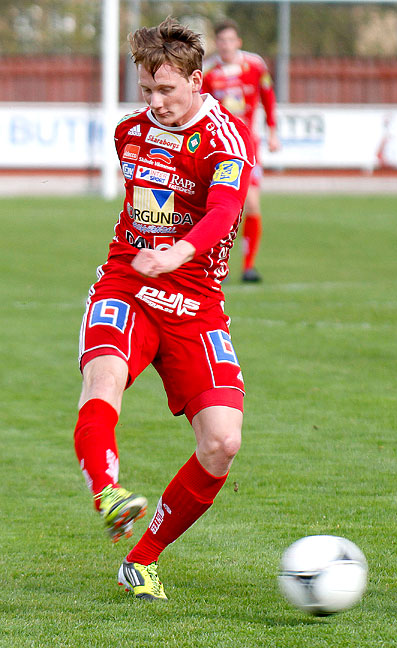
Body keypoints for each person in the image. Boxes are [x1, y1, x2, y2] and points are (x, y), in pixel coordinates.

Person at [73, 17, 255, 601]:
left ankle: (143, 556)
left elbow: (224, 211)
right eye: (147, 91)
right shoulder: (129, 133)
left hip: (196, 299)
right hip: (127, 284)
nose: (156, 103)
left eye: (167, 90)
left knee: (223, 441)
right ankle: (107, 491)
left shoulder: (227, 138)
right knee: (104, 376)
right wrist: (149, 258)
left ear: (197, 81)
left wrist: (176, 251)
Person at [201, 19, 281, 283]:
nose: (226, 45)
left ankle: (248, 266)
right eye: (221, 40)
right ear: (217, 43)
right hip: (218, 148)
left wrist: (272, 132)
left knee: (253, 205)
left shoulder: (256, 66)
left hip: (247, 146)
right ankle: (209, 262)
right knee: (218, 207)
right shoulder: (209, 72)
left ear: (238, 42)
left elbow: (268, 98)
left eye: (230, 40)